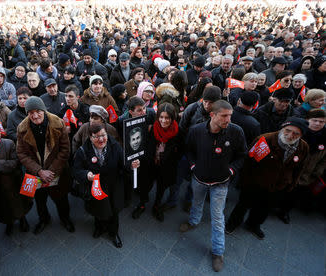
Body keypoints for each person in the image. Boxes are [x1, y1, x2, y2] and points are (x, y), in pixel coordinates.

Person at [179, 100, 247, 272]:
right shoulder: (196, 131)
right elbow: (188, 150)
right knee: (197, 202)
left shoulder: (236, 132)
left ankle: (218, 252)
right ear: (212, 115)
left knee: (217, 217)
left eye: (230, 115)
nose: (228, 119)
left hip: (221, 183)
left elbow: (242, 155)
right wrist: (193, 166)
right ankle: (194, 221)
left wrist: (231, 170)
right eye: (224, 116)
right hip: (199, 179)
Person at [225, 117, 309, 239]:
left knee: (264, 208)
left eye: (296, 134)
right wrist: (244, 181)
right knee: (243, 205)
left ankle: (253, 225)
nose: (290, 135)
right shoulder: (265, 140)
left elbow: (300, 168)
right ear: (282, 128)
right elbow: (249, 162)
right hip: (255, 182)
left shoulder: (303, 147)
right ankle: (233, 223)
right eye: (287, 130)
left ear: (301, 135)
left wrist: (291, 184)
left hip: (278, 186)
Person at [72, 123, 140, 248]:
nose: (101, 139)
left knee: (114, 212)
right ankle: (99, 228)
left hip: (114, 186)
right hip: (96, 187)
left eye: (103, 135)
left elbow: (124, 163)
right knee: (98, 211)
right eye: (97, 137)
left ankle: (114, 233)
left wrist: (131, 166)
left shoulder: (115, 146)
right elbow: (76, 171)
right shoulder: (83, 151)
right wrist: (87, 175)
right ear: (90, 138)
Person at [16, 96, 75, 235]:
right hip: (36, 173)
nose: (35, 115)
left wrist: (50, 171)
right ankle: (44, 219)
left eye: (38, 111)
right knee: (40, 201)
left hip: (57, 171)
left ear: (44, 110)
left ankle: (65, 219)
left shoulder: (58, 123)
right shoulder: (22, 128)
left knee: (61, 199)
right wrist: (39, 171)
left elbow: (65, 150)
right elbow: (21, 153)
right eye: (31, 113)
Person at [132, 103, 181, 222]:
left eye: (167, 118)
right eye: (161, 117)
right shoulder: (151, 129)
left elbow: (180, 151)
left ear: (172, 118)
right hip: (149, 164)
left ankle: (156, 206)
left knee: (161, 188)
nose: (163, 121)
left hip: (166, 167)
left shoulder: (178, 132)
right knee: (145, 186)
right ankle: (142, 204)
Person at [295, 109, 326, 214]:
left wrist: (318, 172)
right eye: (315, 120)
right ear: (307, 119)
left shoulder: (325, 137)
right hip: (292, 172)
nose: (318, 124)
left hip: (309, 174)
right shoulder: (298, 132)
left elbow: (324, 159)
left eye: (321, 122)